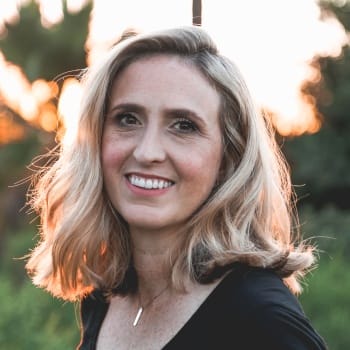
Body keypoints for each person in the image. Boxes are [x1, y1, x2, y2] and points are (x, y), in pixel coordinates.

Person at [26, 26, 327, 349]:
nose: (147, 152)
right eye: (127, 119)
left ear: (228, 158)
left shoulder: (261, 320)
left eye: (184, 126)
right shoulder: (106, 297)